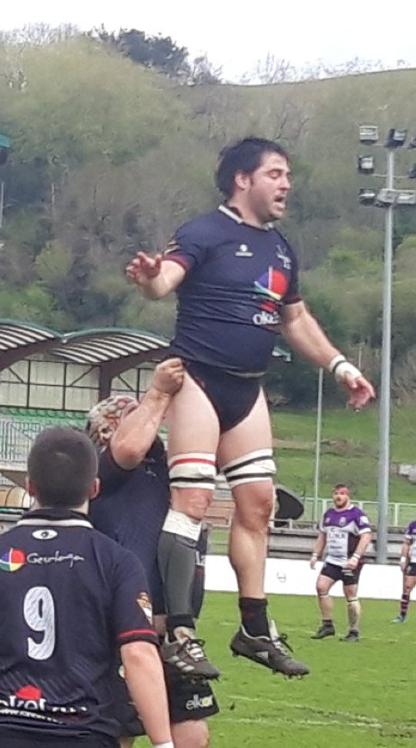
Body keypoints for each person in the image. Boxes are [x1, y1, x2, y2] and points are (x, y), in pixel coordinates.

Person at [126, 137, 376, 676]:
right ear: (243, 179)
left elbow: (297, 320)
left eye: (287, 175)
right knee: (191, 502)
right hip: (196, 378)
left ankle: (254, 628)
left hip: (247, 388)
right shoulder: (204, 231)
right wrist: (151, 280)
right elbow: (165, 279)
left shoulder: (282, 248)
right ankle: (180, 631)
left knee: (258, 504)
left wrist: (340, 366)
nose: (287, 184)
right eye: (276, 173)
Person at [0, 428, 173, 748]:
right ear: (94, 488)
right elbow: (139, 654)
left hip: (2, 735)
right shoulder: (117, 561)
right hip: (84, 734)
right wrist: (163, 744)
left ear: (31, 487)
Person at [86, 360, 218, 747]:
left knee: (193, 730)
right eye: (128, 416)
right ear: (106, 430)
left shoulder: (165, 469)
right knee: (119, 731)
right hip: (122, 625)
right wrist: (157, 394)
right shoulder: (102, 468)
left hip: (173, 628)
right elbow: (130, 447)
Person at [310, 484, 372, 642]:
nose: (338, 496)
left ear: (348, 496)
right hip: (332, 560)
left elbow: (366, 536)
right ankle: (327, 625)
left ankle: (354, 631)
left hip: (348, 562)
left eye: (342, 494)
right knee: (321, 587)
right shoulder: (329, 515)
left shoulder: (356, 514)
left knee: (350, 595)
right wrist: (315, 554)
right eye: (336, 493)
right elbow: (322, 536)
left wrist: (356, 557)